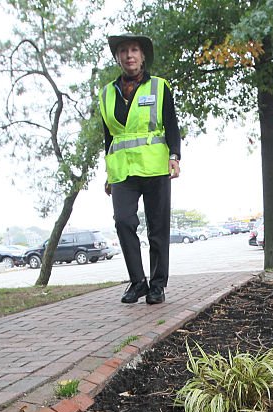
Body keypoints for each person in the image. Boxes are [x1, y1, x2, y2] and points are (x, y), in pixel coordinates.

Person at [99, 33, 181, 305]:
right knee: (123, 222)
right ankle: (138, 282)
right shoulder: (107, 93)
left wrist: (175, 155)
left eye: (134, 50)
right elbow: (108, 137)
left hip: (155, 166)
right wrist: (109, 173)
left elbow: (171, 123)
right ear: (118, 57)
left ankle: (157, 285)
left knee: (158, 227)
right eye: (123, 51)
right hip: (122, 170)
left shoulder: (159, 87)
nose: (129, 55)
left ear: (143, 56)